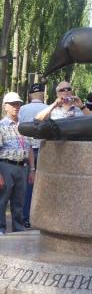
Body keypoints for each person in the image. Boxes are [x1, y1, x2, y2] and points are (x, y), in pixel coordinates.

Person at [0, 92, 35, 235]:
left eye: (18, 103)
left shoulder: (24, 126)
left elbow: (30, 148)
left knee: (19, 201)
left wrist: (32, 169)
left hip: (22, 167)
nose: (16, 106)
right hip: (5, 166)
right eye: (12, 104)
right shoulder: (1, 126)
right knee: (2, 200)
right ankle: (1, 229)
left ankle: (18, 230)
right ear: (5, 107)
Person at [18, 83, 48, 228]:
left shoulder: (22, 109)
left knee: (26, 186)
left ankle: (25, 217)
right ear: (42, 94)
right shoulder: (48, 108)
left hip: (26, 150)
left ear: (30, 95)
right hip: (44, 149)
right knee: (43, 185)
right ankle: (40, 217)